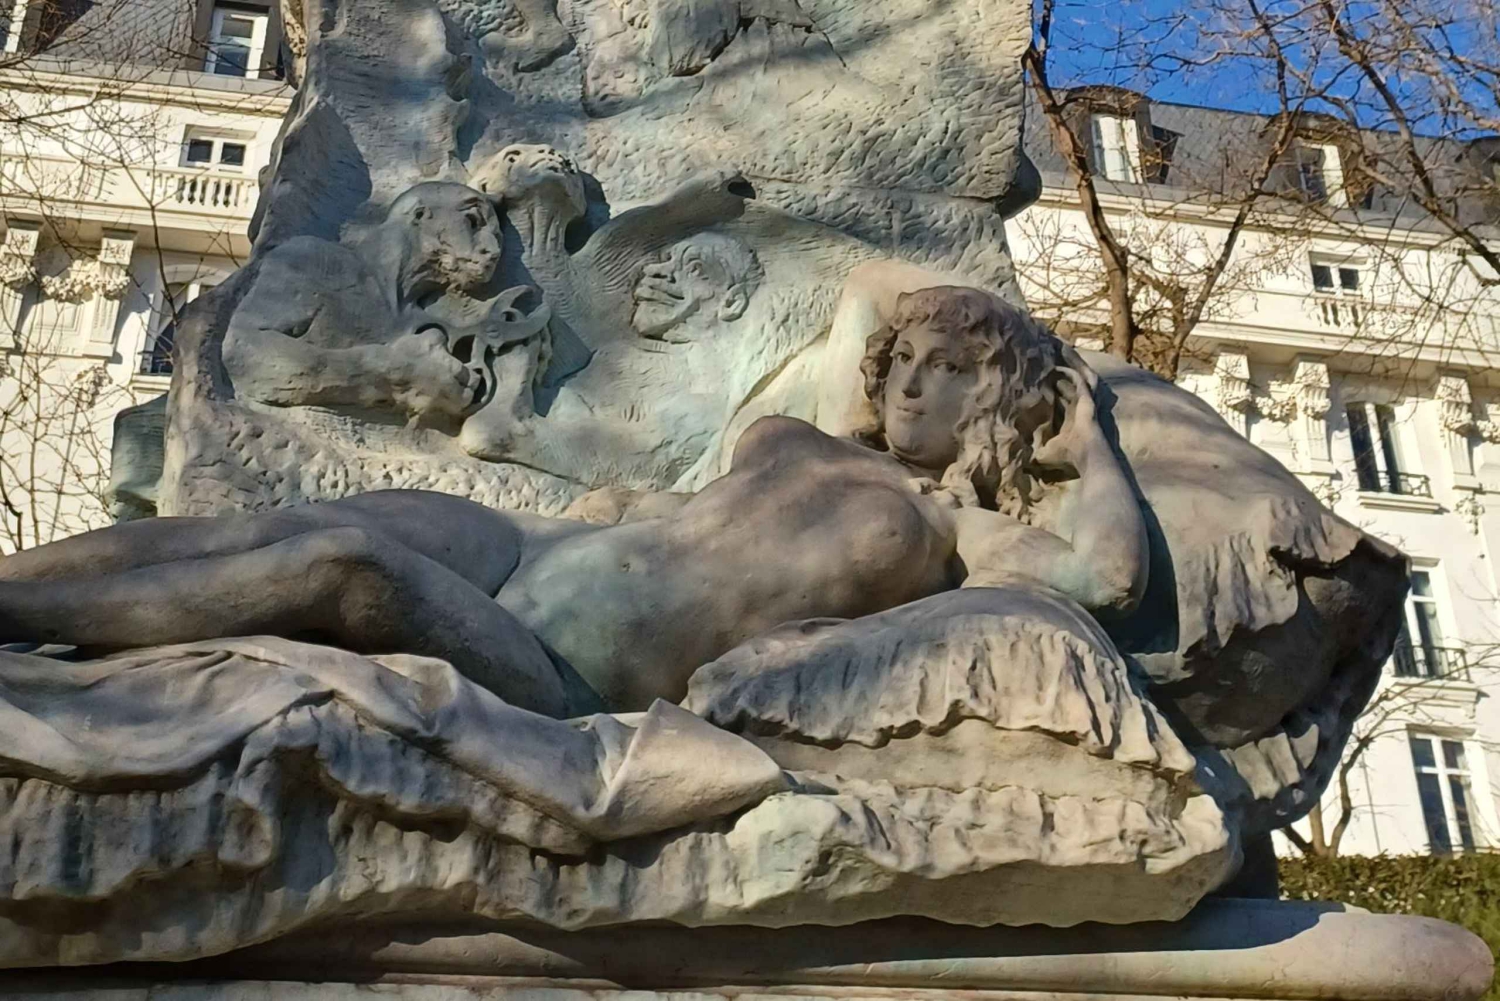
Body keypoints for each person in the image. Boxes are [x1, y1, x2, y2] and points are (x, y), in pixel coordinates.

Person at [0, 287, 1146, 719]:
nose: (912, 381)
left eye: (953, 369)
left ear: (1000, 400)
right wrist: (945, 316)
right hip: (527, 544)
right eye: (912, 358)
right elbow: (862, 299)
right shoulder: (809, 433)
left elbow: (1106, 577)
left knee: (339, 564)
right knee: (271, 526)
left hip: (568, 664)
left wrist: (1090, 433)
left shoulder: (954, 530)